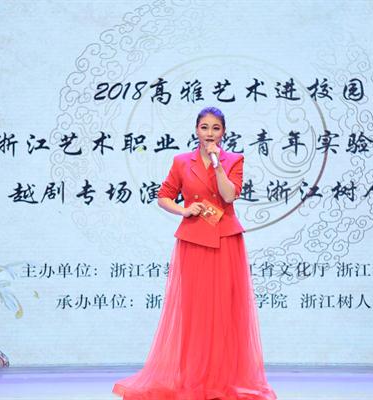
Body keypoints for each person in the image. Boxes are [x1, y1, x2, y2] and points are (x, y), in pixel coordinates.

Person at [112, 107, 277, 399]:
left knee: (225, 311)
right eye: (204, 127)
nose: (209, 133)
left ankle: (222, 378)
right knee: (195, 310)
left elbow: (229, 195)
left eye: (216, 128)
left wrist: (217, 165)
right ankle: (193, 376)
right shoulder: (181, 161)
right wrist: (184, 209)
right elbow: (163, 196)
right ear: (196, 129)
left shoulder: (234, 160)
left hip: (226, 240)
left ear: (223, 132)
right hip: (193, 240)